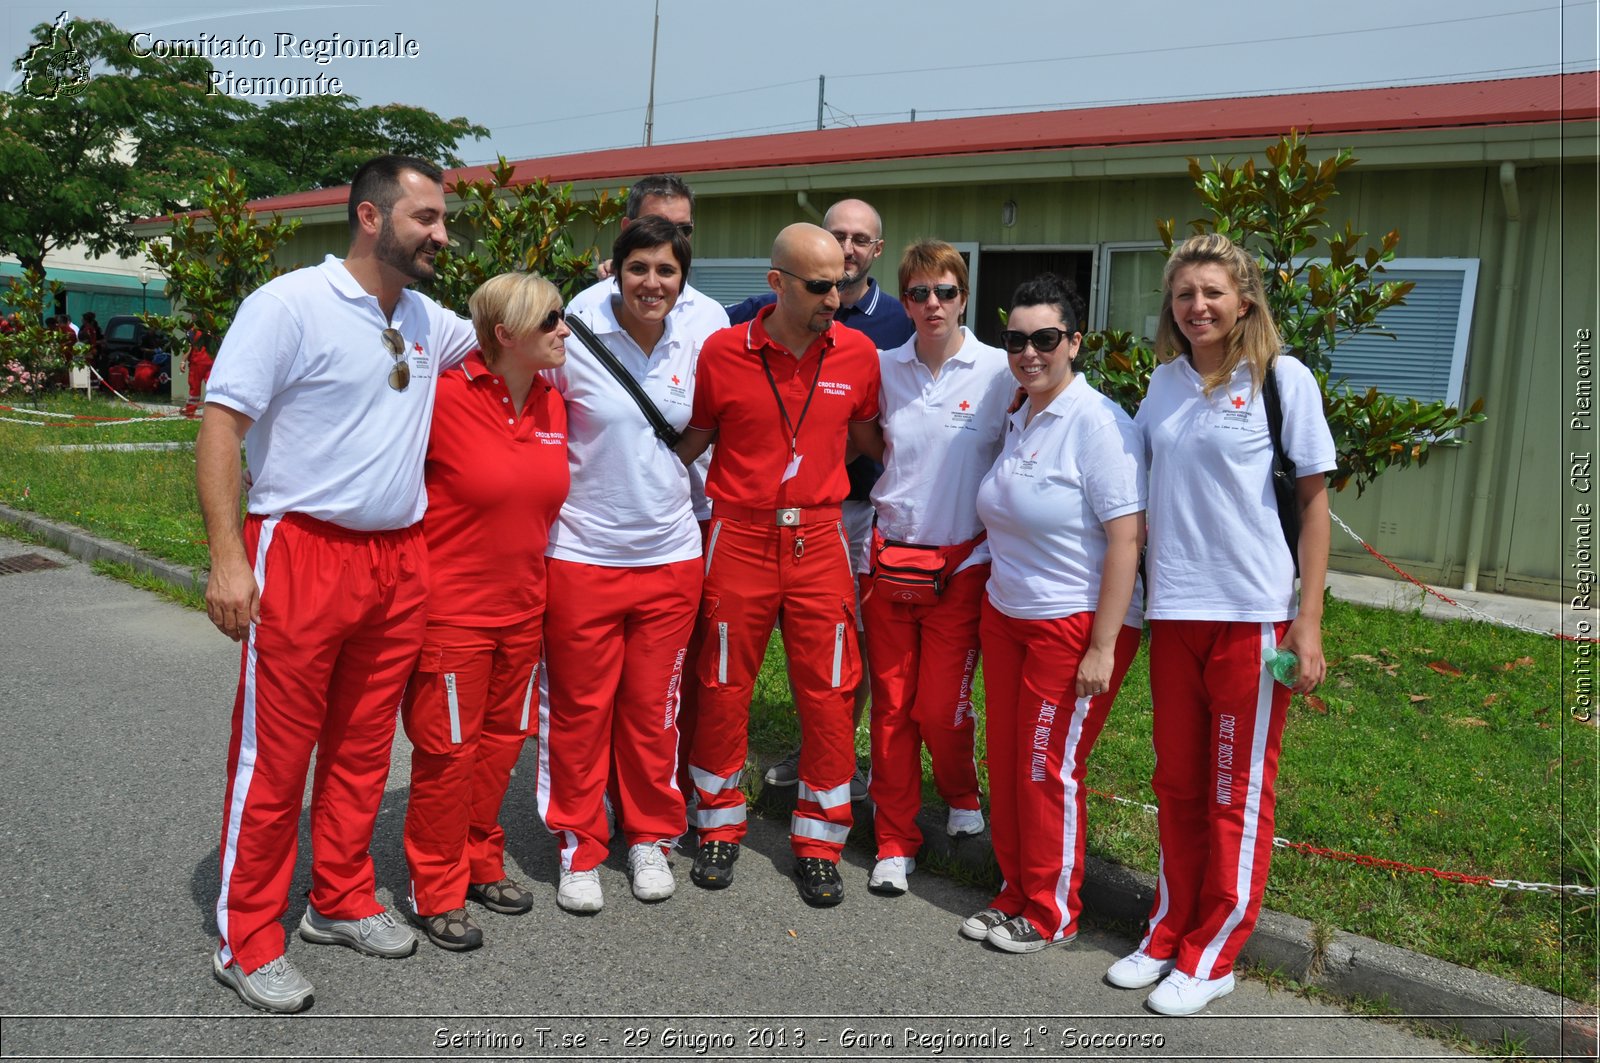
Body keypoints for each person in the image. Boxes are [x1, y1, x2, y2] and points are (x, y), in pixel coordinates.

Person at [197, 155, 477, 1013]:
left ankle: (341, 895)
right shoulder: (288, 305)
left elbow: (514, 324)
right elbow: (220, 424)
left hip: (398, 560)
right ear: (369, 217)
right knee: (274, 759)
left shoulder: (429, 317)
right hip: (303, 551)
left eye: (443, 218)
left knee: (361, 749)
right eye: (426, 217)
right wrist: (227, 557)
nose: (441, 233)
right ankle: (248, 937)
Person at [1110, 233, 1334, 1016]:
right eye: (1183, 294)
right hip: (1175, 611)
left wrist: (1307, 621)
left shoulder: (1282, 380)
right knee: (1176, 780)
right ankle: (1170, 926)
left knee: (1236, 787)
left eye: (1211, 291)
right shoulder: (1163, 384)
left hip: (1252, 616)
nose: (1196, 306)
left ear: (1244, 299)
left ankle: (1215, 949)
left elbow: (1312, 504)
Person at [675, 223, 882, 907]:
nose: (836, 295)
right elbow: (692, 440)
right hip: (739, 537)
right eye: (820, 285)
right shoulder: (723, 351)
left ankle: (820, 842)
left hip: (821, 538)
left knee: (829, 691)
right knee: (722, 683)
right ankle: (717, 824)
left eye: (844, 283)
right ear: (777, 283)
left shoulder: (856, 352)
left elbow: (871, 442)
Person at [966, 273, 1146, 954]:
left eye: (1045, 338)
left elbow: (1127, 538)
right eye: (1016, 339)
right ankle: (1014, 888)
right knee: (1009, 760)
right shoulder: (1023, 412)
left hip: (1072, 622)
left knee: (1048, 765)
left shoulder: (1097, 422)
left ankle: (1051, 909)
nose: (1028, 351)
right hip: (1007, 613)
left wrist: (1102, 646)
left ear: (1074, 341)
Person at [537, 216, 703, 913]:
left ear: (681, 279)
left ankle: (649, 837)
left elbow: (703, 430)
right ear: (615, 271)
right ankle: (579, 843)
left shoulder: (701, 343)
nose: (652, 283)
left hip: (671, 555)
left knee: (651, 710)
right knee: (579, 708)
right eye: (639, 267)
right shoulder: (572, 338)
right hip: (581, 554)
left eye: (666, 270)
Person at [401, 272, 570, 951]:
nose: (565, 329)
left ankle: (479, 862)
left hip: (524, 612)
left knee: (500, 749)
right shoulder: (441, 398)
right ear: (505, 335)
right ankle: (435, 886)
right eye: (551, 319)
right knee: (447, 754)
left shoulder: (556, 404)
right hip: (452, 616)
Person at [728, 198, 912, 795]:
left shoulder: (901, 321)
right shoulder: (763, 312)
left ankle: (834, 759)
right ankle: (804, 760)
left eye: (861, 239)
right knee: (758, 659)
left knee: (844, 648)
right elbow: (689, 322)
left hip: (857, 509)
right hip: (770, 517)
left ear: (875, 251)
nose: (849, 248)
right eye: (838, 236)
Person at [568, 174, 728, 805]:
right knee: (591, 690)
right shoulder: (579, 314)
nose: (670, 245)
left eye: (683, 233)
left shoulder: (709, 317)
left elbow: (719, 418)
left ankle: (659, 800)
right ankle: (592, 804)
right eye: (656, 231)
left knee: (664, 685)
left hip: (685, 521)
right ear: (625, 234)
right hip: (593, 534)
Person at [860, 241, 1013, 896]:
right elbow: (870, 437)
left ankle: (959, 788)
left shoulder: (1001, 371)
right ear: (905, 301)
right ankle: (895, 840)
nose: (931, 305)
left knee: (940, 709)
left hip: (963, 564)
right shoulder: (883, 367)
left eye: (944, 292)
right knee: (892, 708)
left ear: (964, 295)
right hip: (890, 562)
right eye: (918, 293)